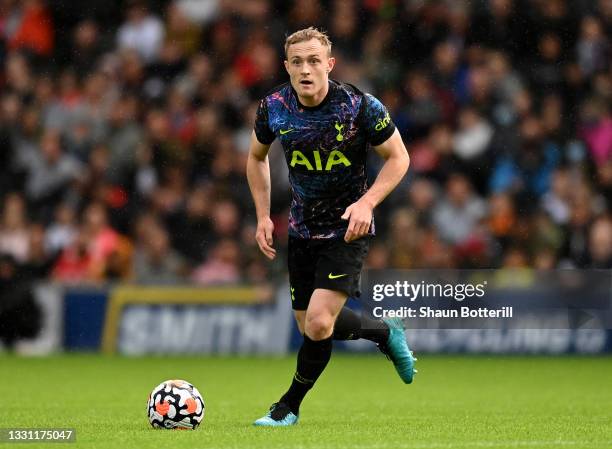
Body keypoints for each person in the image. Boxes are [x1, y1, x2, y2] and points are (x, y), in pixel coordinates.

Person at [246, 27, 416, 427]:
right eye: (298, 62)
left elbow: (399, 158)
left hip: (348, 228)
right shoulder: (273, 106)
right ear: (286, 66)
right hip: (302, 230)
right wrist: (262, 215)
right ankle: (384, 333)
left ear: (329, 64)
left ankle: (287, 407)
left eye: (314, 60)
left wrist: (367, 203)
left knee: (320, 323)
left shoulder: (359, 106)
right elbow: (255, 158)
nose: (306, 69)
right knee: (311, 326)